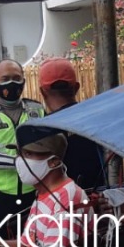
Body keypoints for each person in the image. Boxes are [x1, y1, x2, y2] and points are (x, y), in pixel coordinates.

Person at [0, 59, 46, 237]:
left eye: (16, 78)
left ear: (24, 81)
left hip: (34, 193)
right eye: (5, 79)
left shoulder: (38, 111)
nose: (12, 83)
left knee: (34, 245)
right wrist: (18, 163)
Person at [37, 58, 108, 192]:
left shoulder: (42, 130)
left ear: (42, 92)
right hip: (99, 197)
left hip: (60, 200)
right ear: (76, 88)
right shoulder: (96, 119)